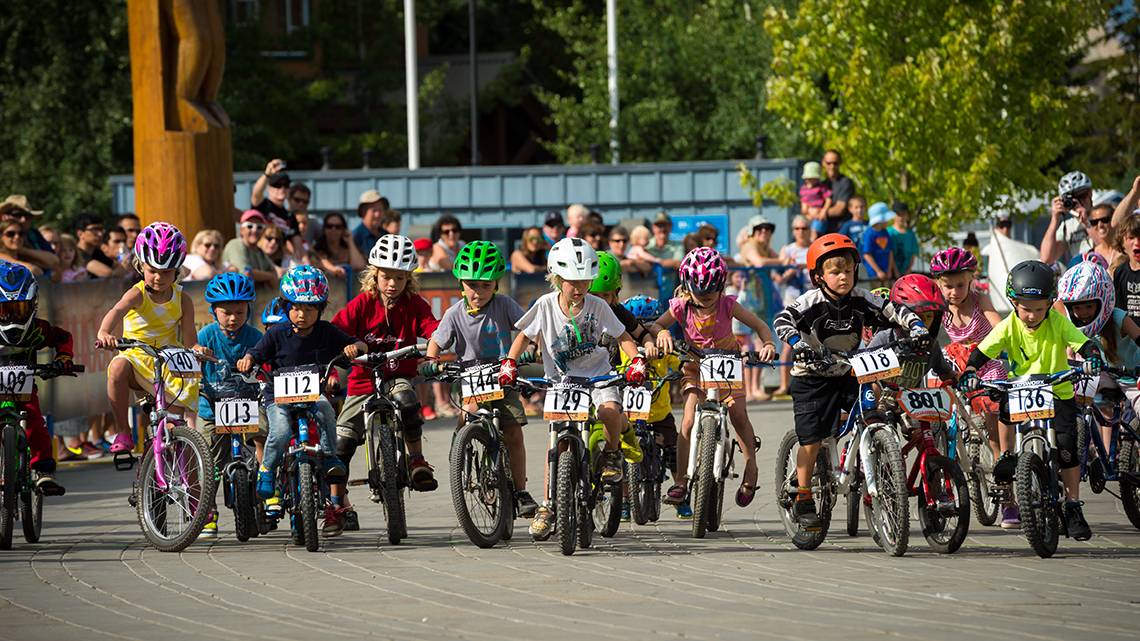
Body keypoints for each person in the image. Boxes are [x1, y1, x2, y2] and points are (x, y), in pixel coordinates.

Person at [773, 233, 927, 530]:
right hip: (812, 377)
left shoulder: (861, 299)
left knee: (876, 411)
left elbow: (893, 310)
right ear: (819, 276)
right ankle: (803, 495)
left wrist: (917, 327)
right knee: (812, 438)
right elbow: (783, 320)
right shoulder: (810, 301)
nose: (843, 277)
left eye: (848, 270)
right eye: (835, 271)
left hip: (848, 371)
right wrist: (797, 342)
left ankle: (881, 460)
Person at [500, 237, 647, 540]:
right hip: (562, 382)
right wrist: (510, 363)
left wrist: (635, 361)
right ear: (556, 278)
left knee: (609, 410)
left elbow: (623, 338)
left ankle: (611, 454)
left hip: (598, 376)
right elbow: (524, 337)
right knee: (557, 442)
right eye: (571, 282)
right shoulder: (544, 305)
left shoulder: (598, 306)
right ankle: (548, 504)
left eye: (584, 281)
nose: (579, 289)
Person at [959, 259, 1103, 541]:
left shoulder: (1058, 322)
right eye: (1025, 309)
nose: (1032, 316)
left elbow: (1081, 342)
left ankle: (1073, 505)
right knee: (1003, 407)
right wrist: (971, 369)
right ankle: (1008, 455)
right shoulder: (1009, 326)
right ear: (1013, 302)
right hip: (1022, 390)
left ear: (1051, 304)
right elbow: (983, 351)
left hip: (1057, 391)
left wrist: (1092, 355)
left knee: (1066, 449)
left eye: (1040, 309)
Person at [237, 266, 362, 535]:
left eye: (309, 309)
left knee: (327, 410)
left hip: (312, 395)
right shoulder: (277, 333)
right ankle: (268, 471)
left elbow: (356, 344)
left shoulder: (327, 332)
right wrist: (249, 359)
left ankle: (329, 459)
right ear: (286, 306)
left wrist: (355, 348)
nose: (301, 315)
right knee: (280, 432)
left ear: (320, 309)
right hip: (279, 398)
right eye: (295, 308)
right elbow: (256, 353)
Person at [329, 234, 441, 533]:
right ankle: (337, 505)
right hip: (362, 381)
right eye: (386, 277)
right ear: (374, 275)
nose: (392, 284)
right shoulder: (362, 304)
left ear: (409, 279)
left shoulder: (414, 304)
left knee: (407, 402)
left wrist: (435, 343)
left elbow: (432, 328)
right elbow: (336, 331)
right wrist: (346, 347)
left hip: (396, 376)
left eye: (400, 278)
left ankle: (417, 459)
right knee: (341, 442)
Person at [420, 241, 538, 518]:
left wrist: (531, 349)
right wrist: (431, 361)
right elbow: (436, 342)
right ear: (461, 283)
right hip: (471, 377)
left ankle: (520, 490)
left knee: (512, 431)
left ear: (496, 285)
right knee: (469, 415)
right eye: (472, 285)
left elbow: (528, 330)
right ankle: (461, 450)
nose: (478, 292)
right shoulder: (454, 314)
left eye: (486, 285)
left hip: (502, 375)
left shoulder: (504, 305)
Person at [653, 247, 776, 510]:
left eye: (711, 293)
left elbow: (761, 326)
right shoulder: (681, 306)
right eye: (700, 293)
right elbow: (657, 325)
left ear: (721, 287)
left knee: (738, 414)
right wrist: (661, 333)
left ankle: (751, 466)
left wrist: (767, 343)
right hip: (695, 366)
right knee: (687, 420)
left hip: (727, 364)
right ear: (687, 287)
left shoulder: (728, 304)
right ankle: (682, 481)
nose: (706, 299)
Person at [94, 223, 206, 453]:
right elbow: (116, 310)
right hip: (137, 356)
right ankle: (123, 431)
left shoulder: (182, 299)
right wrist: (104, 333)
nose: (158, 277)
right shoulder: (137, 293)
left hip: (167, 360)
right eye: (152, 270)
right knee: (116, 368)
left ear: (176, 271)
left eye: (166, 272)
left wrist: (197, 348)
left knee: (177, 429)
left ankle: (187, 473)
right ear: (140, 266)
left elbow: (189, 340)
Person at [929, 247, 1015, 526]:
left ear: (971, 280)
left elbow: (999, 328)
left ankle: (1007, 493)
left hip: (983, 364)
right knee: (935, 414)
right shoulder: (939, 308)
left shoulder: (981, 300)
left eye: (960, 285)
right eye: (947, 286)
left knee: (994, 428)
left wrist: (1000, 345)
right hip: (954, 367)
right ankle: (942, 485)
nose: (953, 292)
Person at [195, 272, 265, 539]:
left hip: (247, 403)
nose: (233, 318)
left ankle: (266, 491)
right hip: (212, 407)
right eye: (226, 312)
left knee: (264, 437)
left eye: (240, 311)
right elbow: (192, 366)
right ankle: (208, 513)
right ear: (214, 311)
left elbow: (267, 364)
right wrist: (197, 355)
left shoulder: (255, 336)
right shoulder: (206, 335)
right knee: (209, 461)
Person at [1057, 257, 1140, 479]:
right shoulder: (1069, 325)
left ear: (1103, 301)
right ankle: (1080, 453)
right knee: (1072, 400)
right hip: (1096, 373)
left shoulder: (1118, 317)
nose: (1082, 313)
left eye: (1088, 306)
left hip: (1130, 375)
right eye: (1077, 307)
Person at [0, 261, 73, 495]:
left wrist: (63, 359)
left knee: (35, 423)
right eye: (5, 310)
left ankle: (44, 471)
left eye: (19, 309)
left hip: (25, 386)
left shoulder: (38, 329)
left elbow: (63, 338)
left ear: (33, 306)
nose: (12, 316)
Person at [620, 295, 688, 518]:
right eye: (638, 328)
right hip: (630, 415)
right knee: (622, 454)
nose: (643, 335)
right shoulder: (623, 349)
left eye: (648, 326)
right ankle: (623, 499)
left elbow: (677, 363)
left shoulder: (662, 348)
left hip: (659, 414)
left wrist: (682, 369)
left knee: (673, 449)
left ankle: (681, 493)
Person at [725, 269, 770, 402]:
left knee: (751, 358)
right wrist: (744, 291)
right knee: (741, 362)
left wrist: (754, 291)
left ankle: (754, 389)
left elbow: (755, 306)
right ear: (731, 278)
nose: (741, 279)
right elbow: (739, 304)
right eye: (738, 276)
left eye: (743, 276)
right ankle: (745, 390)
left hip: (746, 332)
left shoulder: (746, 291)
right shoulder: (730, 291)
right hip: (735, 333)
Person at [1041, 171, 1095, 265]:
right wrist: (1055, 219)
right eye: (1071, 199)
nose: (1078, 202)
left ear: (1090, 193)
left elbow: (1107, 246)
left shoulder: (1103, 217)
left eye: (1082, 196)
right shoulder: (1068, 226)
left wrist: (1087, 223)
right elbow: (1047, 259)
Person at [0, 195, 58, 271]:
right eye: (17, 215)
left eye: (27, 216)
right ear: (4, 216)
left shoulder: (33, 234)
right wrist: (26, 267)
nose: (23, 219)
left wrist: (21, 250)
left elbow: (54, 261)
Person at [223, 210, 277, 284]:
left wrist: (266, 276)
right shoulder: (235, 244)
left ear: (263, 231)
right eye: (249, 226)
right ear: (242, 230)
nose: (254, 230)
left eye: (259, 227)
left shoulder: (259, 251)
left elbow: (274, 273)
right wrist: (269, 276)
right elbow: (245, 273)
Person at [312, 212, 366, 279]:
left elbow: (359, 266)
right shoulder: (316, 251)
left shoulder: (348, 250)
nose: (333, 229)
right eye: (329, 226)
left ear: (343, 230)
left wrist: (350, 241)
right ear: (324, 229)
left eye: (338, 227)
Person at [248, 159, 292, 231]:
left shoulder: (290, 216)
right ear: (269, 188)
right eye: (277, 185)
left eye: (286, 185)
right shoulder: (263, 205)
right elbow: (256, 194)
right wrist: (267, 174)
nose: (282, 188)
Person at [820, 150, 856, 233]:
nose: (832, 166)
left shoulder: (846, 182)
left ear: (840, 163)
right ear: (823, 163)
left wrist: (818, 213)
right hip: (823, 232)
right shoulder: (821, 184)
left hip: (841, 232)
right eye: (828, 163)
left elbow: (839, 209)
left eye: (835, 163)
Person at [1113, 215, 1140, 323]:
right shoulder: (1120, 272)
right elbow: (1119, 312)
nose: (1137, 242)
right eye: (1131, 237)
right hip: (1129, 335)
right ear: (1122, 243)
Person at [862, 202, 896, 285]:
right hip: (874, 274)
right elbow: (867, 255)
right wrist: (878, 271)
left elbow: (890, 252)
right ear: (880, 220)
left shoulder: (885, 232)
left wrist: (889, 270)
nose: (888, 221)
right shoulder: (869, 234)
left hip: (886, 273)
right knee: (875, 295)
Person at [799, 161, 832, 239]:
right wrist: (807, 214)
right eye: (808, 179)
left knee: (815, 233)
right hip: (808, 217)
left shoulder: (821, 187)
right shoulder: (803, 189)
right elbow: (804, 205)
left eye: (812, 178)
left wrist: (824, 210)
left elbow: (828, 199)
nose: (810, 181)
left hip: (819, 216)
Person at [352, 190, 389, 255]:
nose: (378, 215)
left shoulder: (387, 236)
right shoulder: (355, 238)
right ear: (363, 212)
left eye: (380, 210)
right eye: (374, 210)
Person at [889, 202, 920, 275]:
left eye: (903, 214)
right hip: (890, 274)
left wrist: (908, 270)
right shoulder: (888, 233)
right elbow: (889, 254)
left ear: (907, 216)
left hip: (906, 273)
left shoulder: (911, 234)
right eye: (898, 214)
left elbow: (913, 254)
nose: (901, 217)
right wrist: (895, 271)